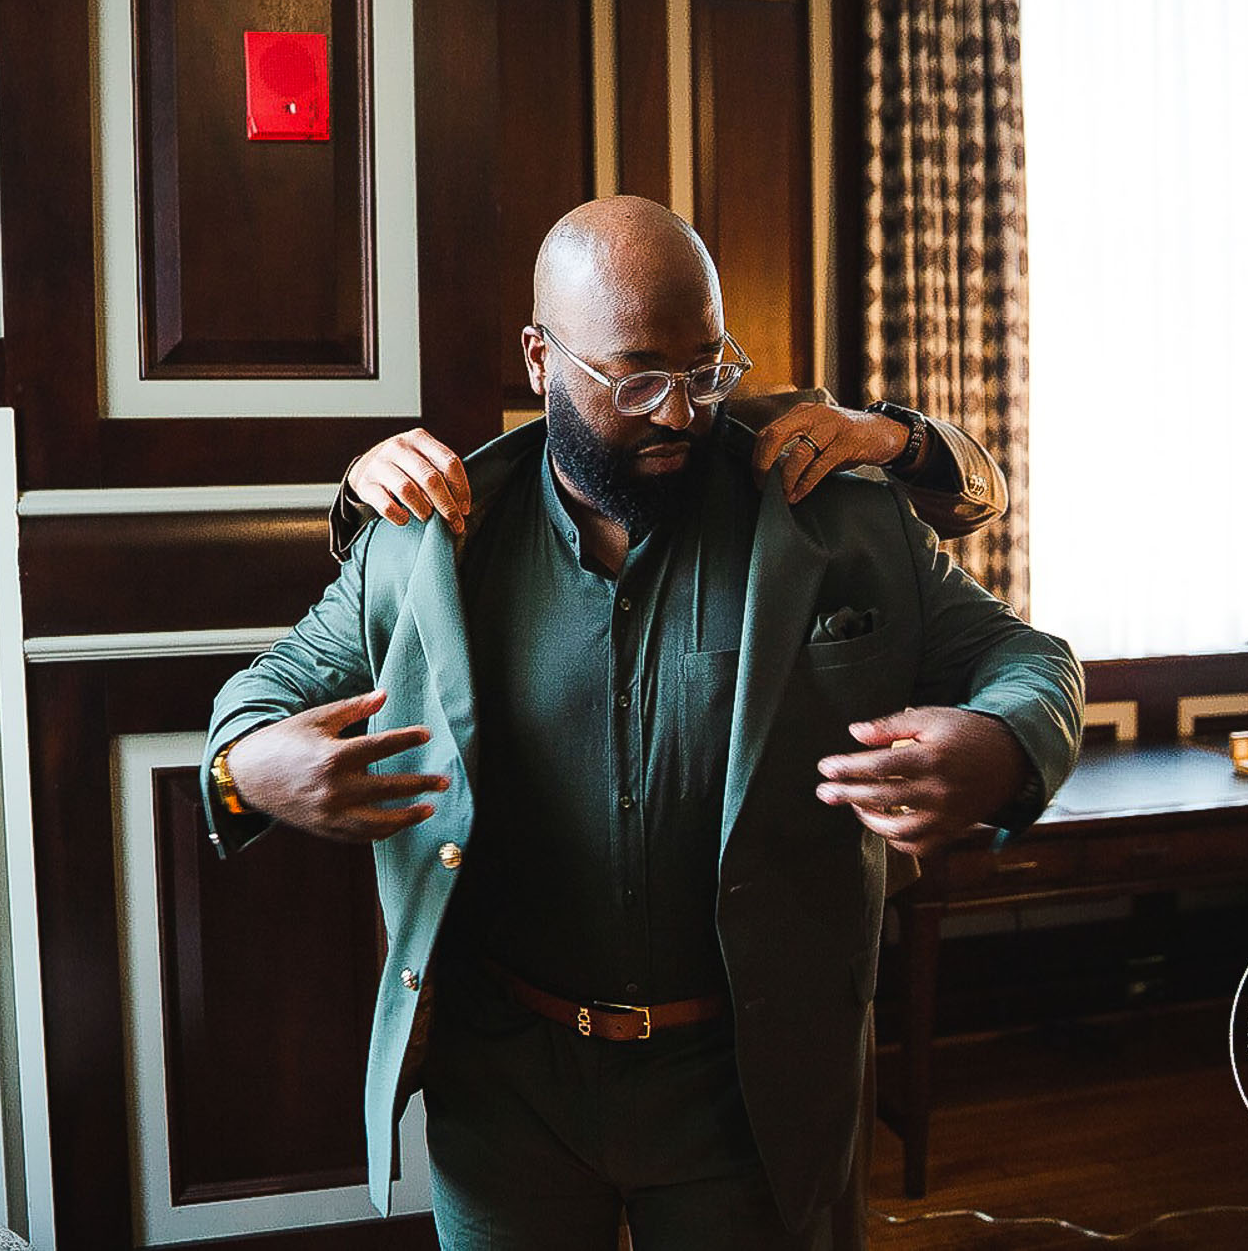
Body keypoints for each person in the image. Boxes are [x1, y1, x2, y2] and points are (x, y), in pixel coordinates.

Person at [202, 196, 1084, 1250]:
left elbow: (1029, 659)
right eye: (635, 377)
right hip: (503, 1080)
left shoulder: (835, 518)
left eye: (706, 369)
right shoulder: (431, 546)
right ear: (539, 357)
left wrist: (1001, 744)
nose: (680, 411)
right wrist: (252, 770)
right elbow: (255, 702)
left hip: (751, 1080)